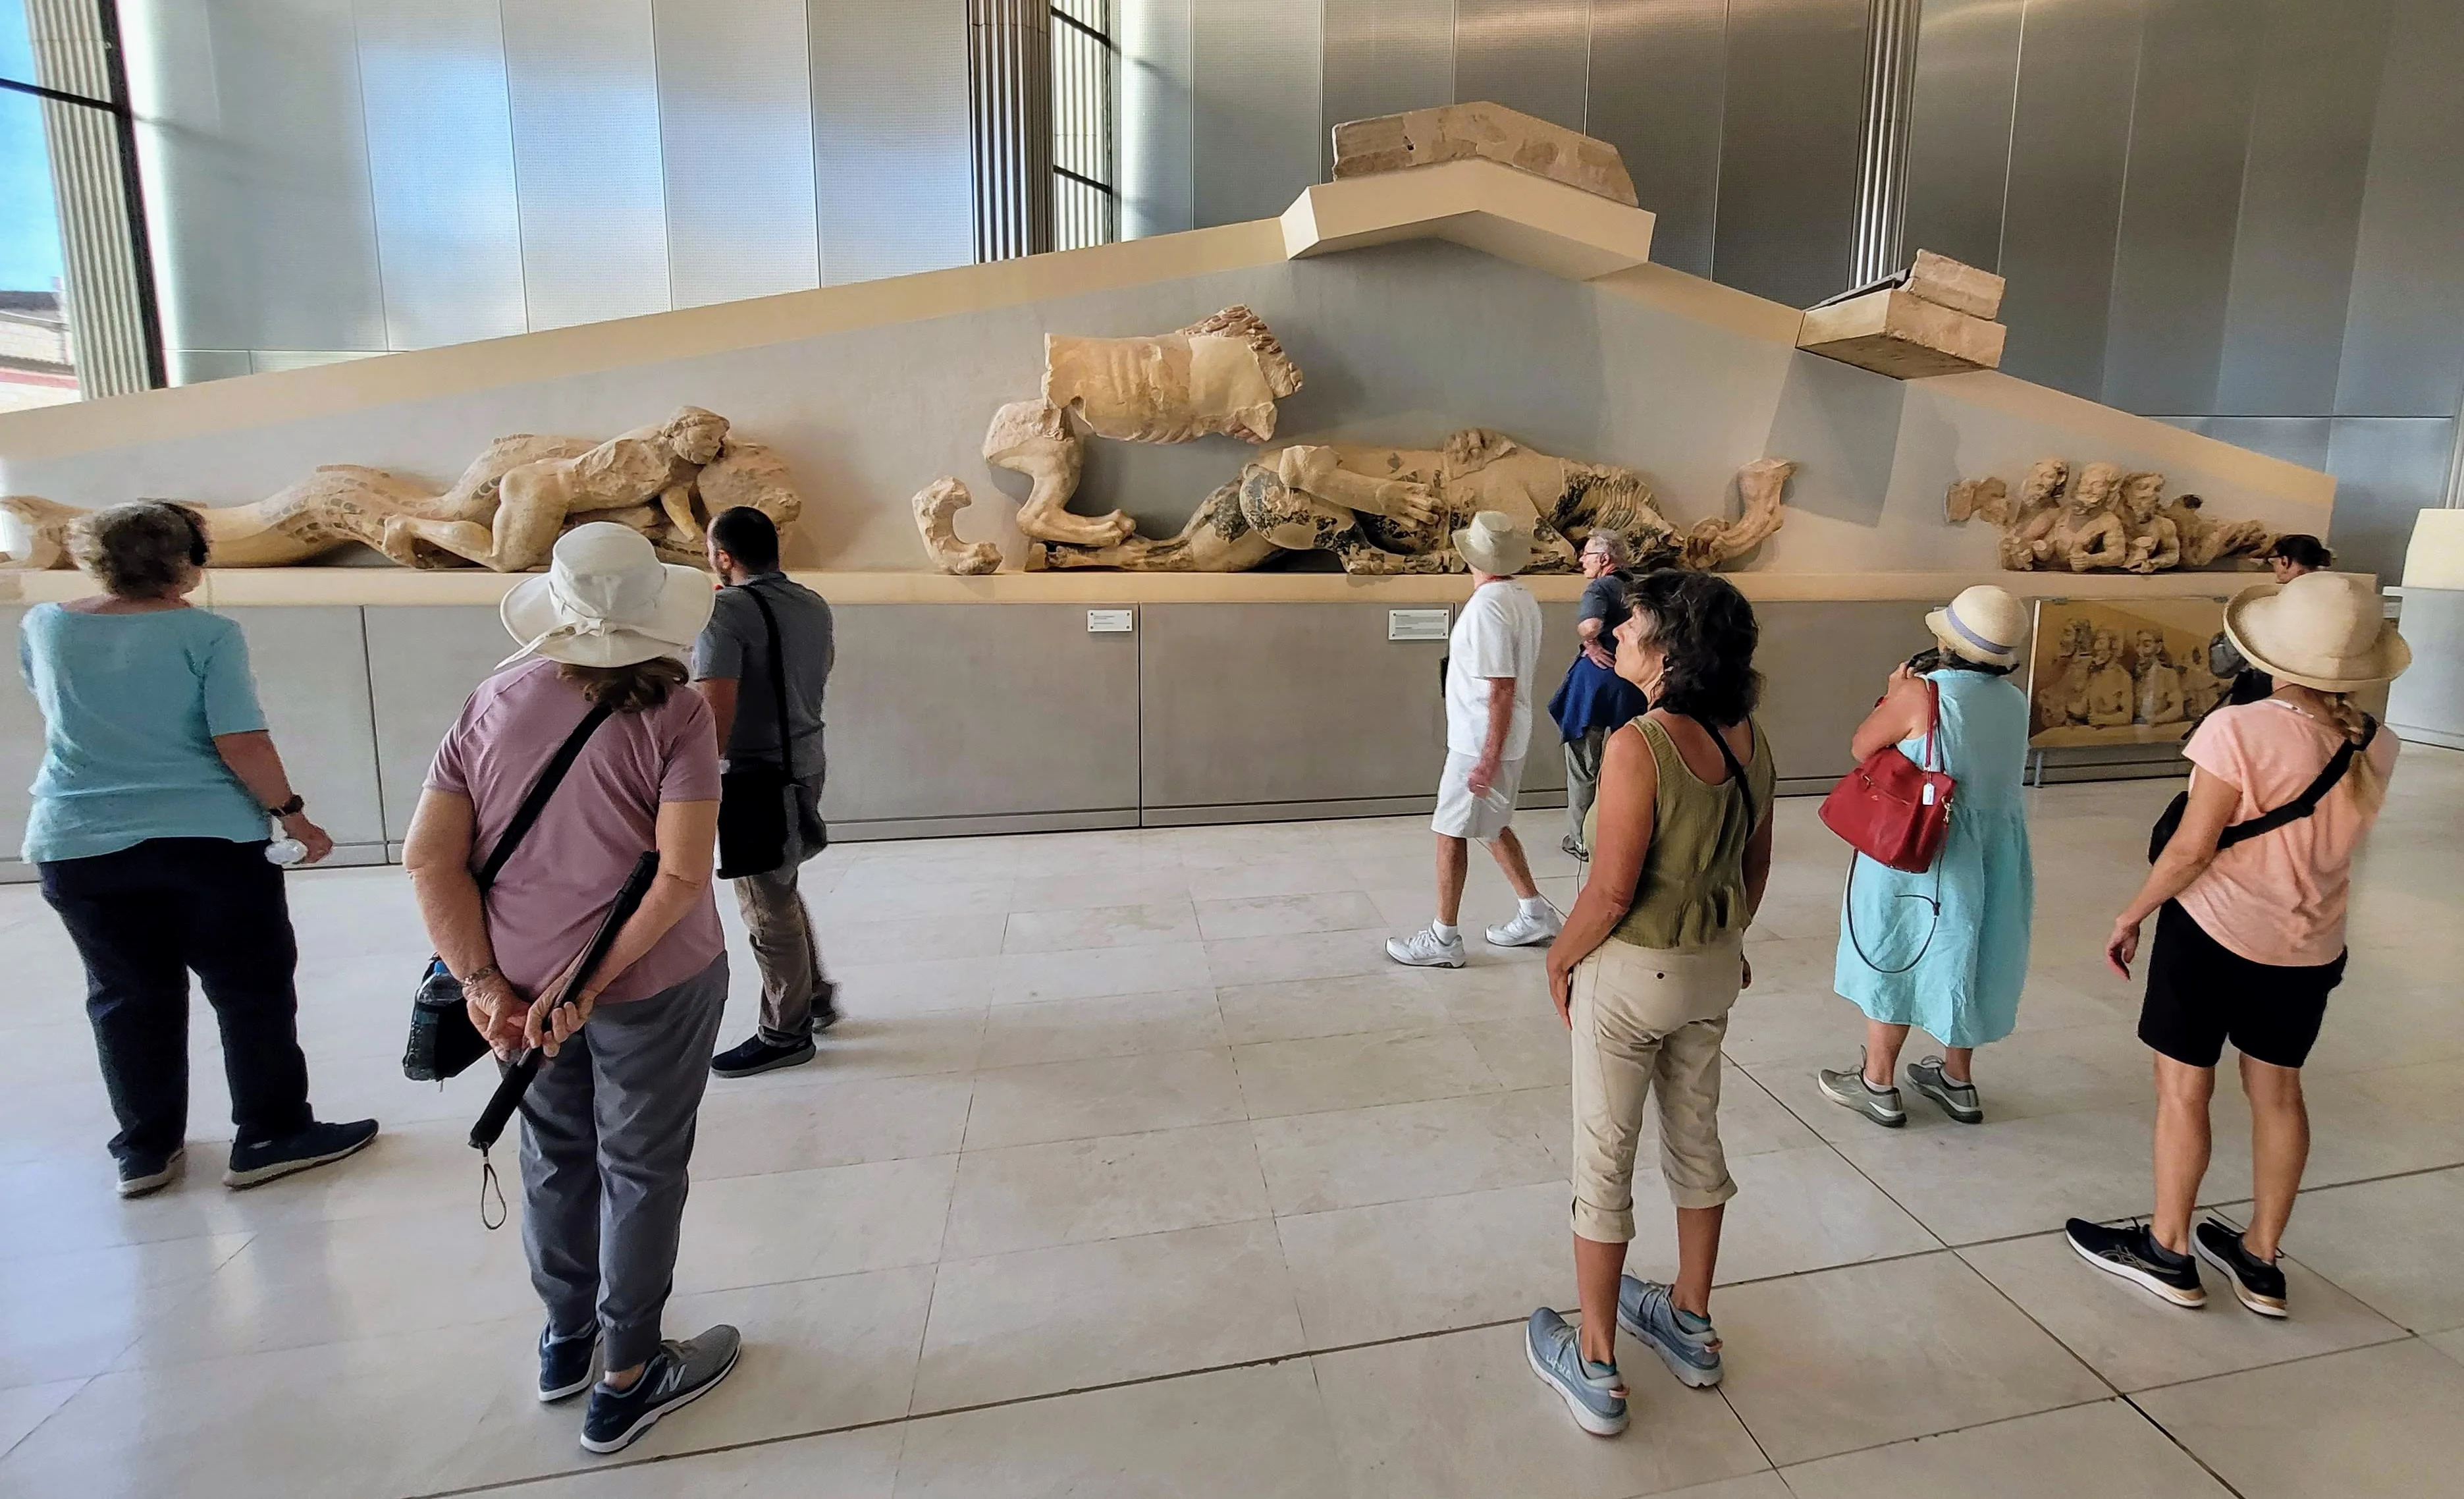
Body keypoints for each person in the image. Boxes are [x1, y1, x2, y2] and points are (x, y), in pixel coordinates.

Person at [403, 523, 739, 1455]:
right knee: (640, 1164)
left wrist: (480, 981)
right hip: (655, 980)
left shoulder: (493, 699)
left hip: (513, 985)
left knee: (555, 1154)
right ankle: (630, 1374)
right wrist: (589, 983)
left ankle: (566, 1338)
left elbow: (428, 857)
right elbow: (679, 877)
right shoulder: (678, 715)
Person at [2068, 571, 2406, 1317]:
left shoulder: (2237, 728)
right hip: (2309, 946)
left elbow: (2192, 849)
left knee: (2184, 1089)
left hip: (2212, 933)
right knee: (2278, 1093)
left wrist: (2130, 914)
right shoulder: (2378, 744)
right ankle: (2260, 1258)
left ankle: (2168, 1248)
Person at [20, 501, 376, 1198]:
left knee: (126, 995)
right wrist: (294, 817)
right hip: (207, 842)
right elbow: (239, 738)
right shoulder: (208, 634)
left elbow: (56, 705)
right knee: (250, 989)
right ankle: (271, 1133)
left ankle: (146, 1148)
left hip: (77, 842)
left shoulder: (46, 625)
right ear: (187, 560)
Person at [1526, 570, 1775, 1437]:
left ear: (1671, 647)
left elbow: (1607, 892)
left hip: (1632, 975)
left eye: (1630, 627)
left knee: (1604, 1154)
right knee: (1695, 1137)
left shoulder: (1640, 745)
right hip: (1709, 970)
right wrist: (1727, 943)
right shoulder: (1747, 737)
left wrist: (1557, 961)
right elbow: (1753, 866)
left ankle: (1594, 1360)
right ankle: (1691, 1320)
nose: (1616, 635)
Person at [1819, 586, 2035, 1127]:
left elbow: (1862, 745)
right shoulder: (2016, 702)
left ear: (1944, 642)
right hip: (1992, 851)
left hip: (1924, 847)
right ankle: (1957, 1079)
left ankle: (1878, 1081)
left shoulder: (1923, 694)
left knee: (1900, 945)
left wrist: (1893, 693)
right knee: (1969, 952)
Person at [694, 506, 841, 1079]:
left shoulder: (723, 614)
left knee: (764, 903)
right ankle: (815, 993)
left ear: (723, 556)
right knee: (780, 881)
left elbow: (715, 706)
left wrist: (695, 782)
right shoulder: (811, 603)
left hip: (753, 775)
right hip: (806, 758)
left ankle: (785, 1030)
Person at [1387, 511, 1559, 967]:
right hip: (1501, 735)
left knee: (1450, 830)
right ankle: (1535, 911)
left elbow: (1499, 686)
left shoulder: (1488, 606)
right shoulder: (1521, 597)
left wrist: (1486, 758)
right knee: (1492, 825)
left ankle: (1444, 938)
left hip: (1481, 739)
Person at [1546, 529, 1649, 860]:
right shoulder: (1637, 587)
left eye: (1586, 555)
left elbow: (1590, 625)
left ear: (1604, 559)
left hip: (1595, 687)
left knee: (1584, 768)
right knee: (1627, 765)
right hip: (1632, 684)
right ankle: (1623, 836)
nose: (1581, 561)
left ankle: (1582, 840)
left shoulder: (1600, 586)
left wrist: (1591, 642)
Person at [2210, 534, 2336, 710]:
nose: (2274, 567)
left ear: (2285, 562)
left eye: (2274, 561)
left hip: (2267, 693)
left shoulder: (2268, 605)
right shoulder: (2336, 603)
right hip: (2324, 696)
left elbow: (2223, 664)